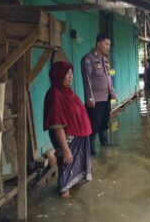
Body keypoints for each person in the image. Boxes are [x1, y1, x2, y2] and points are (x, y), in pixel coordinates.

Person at [44, 61, 92, 198]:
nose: (70, 77)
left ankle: (74, 202)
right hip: (67, 140)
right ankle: (65, 203)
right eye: (67, 74)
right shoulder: (55, 94)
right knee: (66, 170)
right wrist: (65, 149)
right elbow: (57, 124)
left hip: (77, 137)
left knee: (73, 170)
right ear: (58, 75)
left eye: (71, 73)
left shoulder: (66, 91)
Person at [81, 33, 117, 154]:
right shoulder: (88, 59)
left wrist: (112, 91)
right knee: (93, 124)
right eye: (106, 44)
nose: (108, 47)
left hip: (106, 97)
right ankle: (91, 151)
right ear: (98, 43)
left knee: (104, 121)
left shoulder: (104, 59)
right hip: (95, 99)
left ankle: (104, 142)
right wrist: (89, 98)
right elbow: (87, 80)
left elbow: (108, 77)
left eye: (109, 44)